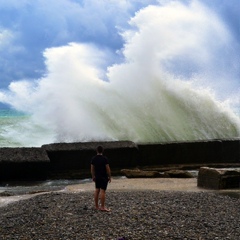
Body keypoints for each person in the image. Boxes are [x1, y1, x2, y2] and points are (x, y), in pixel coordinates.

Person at [91, 145, 111, 211]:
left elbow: (92, 169)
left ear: (96, 151)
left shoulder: (94, 159)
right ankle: (102, 207)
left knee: (97, 190)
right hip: (104, 177)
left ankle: (96, 206)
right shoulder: (105, 159)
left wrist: (93, 176)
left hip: (97, 176)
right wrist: (110, 176)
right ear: (102, 151)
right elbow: (107, 169)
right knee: (103, 191)